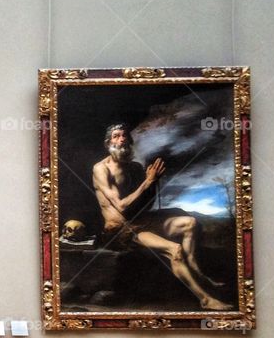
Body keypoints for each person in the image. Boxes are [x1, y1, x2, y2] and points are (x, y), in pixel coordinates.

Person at [91, 123, 231, 311]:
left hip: (140, 221)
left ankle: (196, 271)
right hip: (119, 231)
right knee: (175, 250)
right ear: (108, 142)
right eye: (116, 136)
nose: (122, 139)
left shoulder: (134, 168)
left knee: (190, 223)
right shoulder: (101, 169)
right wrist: (148, 182)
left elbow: (143, 203)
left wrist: (154, 182)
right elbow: (121, 205)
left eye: (124, 135)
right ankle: (205, 299)